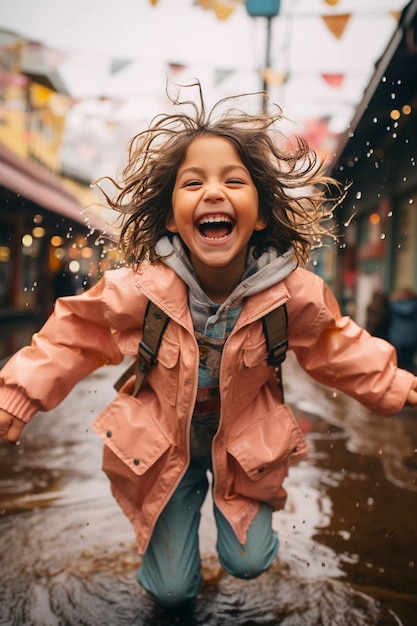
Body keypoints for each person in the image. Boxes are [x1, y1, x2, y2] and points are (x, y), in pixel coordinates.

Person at [0, 82, 416, 611]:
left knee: (249, 562)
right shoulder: (140, 289)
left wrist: (395, 384)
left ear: (260, 214)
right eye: (192, 182)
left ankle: (231, 536)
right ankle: (171, 571)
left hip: (246, 443)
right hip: (160, 442)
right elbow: (73, 334)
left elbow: (336, 346)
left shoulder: (291, 294)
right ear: (173, 217)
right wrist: (19, 392)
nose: (213, 193)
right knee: (171, 592)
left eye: (233, 180)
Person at [388, 287, 417, 373]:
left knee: (399, 365)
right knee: (408, 364)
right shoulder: (415, 305)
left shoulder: (395, 305)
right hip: (412, 339)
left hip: (398, 339)